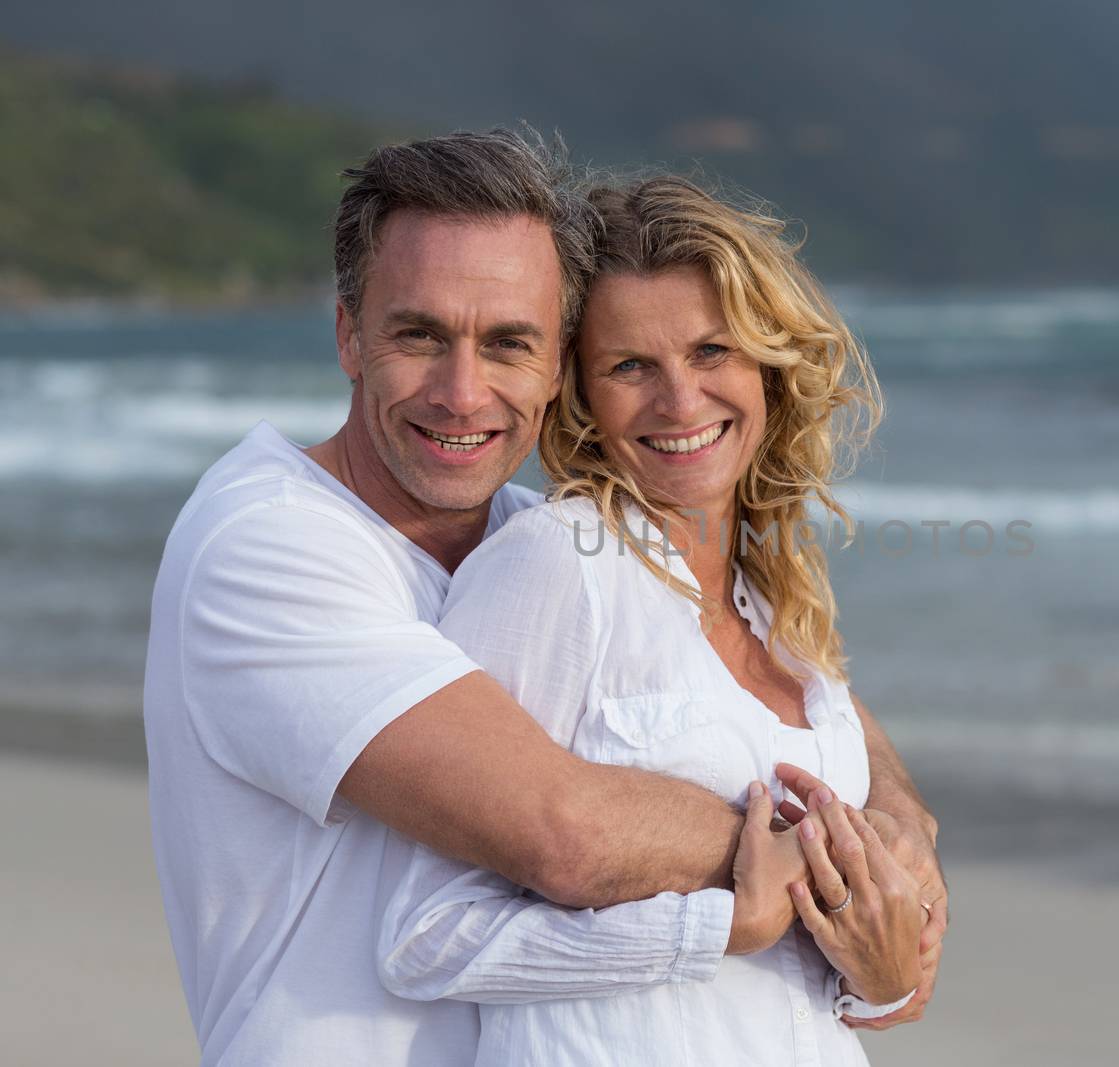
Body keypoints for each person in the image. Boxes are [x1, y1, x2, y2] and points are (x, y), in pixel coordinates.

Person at [143, 129, 945, 1066]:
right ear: (347, 334)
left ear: (552, 368)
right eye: (419, 334)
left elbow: (777, 699)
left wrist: (897, 823)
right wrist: (837, 863)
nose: (462, 390)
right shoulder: (271, 546)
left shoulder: (547, 535)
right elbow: (560, 828)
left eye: (509, 342)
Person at [377, 176, 932, 1066]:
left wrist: (887, 973)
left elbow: (829, 978)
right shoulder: (557, 564)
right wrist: (713, 927)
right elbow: (424, 933)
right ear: (581, 394)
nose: (680, 401)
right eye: (630, 366)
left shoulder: (780, 599)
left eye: (713, 350)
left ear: (768, 364)